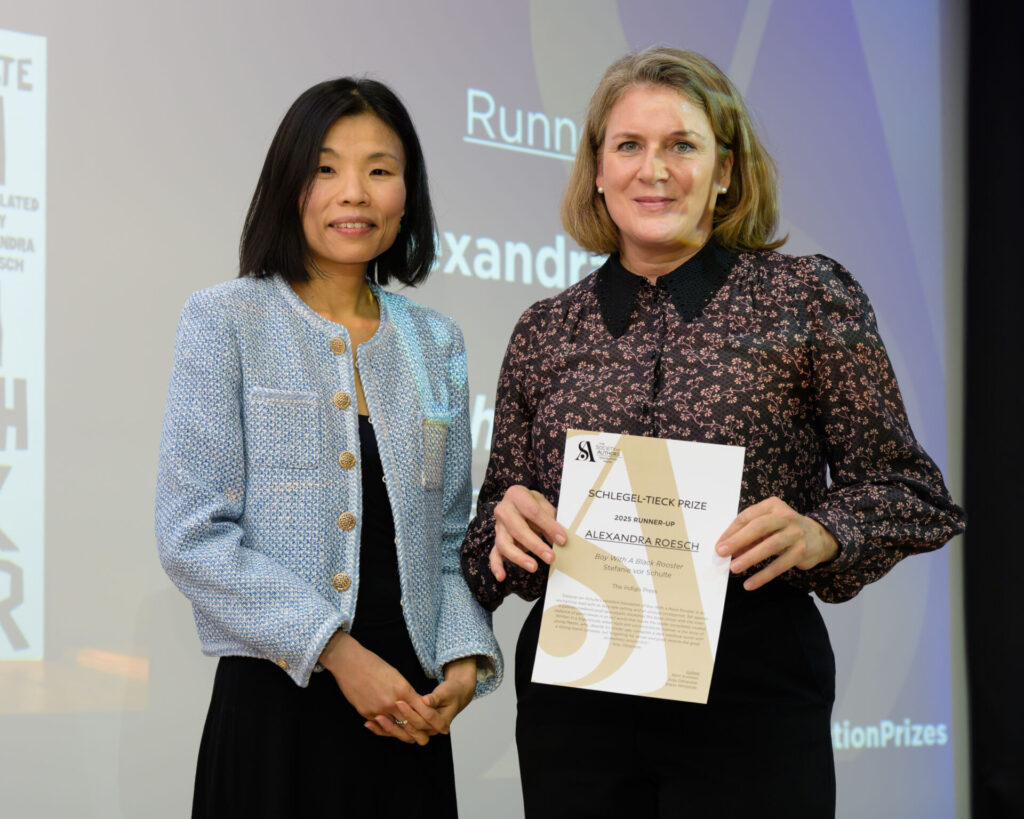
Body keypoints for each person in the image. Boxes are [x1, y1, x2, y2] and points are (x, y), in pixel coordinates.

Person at [460, 47, 964, 818]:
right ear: (597, 170)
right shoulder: (545, 330)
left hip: (752, 688)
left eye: (681, 145)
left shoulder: (808, 298)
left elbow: (912, 491)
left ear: (725, 170)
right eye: (629, 145)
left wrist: (822, 532)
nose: (652, 169)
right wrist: (506, 526)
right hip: (579, 699)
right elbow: (491, 533)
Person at [155, 77, 502, 818]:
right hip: (278, 709)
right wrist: (338, 654)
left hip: (404, 711)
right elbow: (191, 536)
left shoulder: (435, 340)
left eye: (379, 170)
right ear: (290, 183)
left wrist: (467, 656)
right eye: (325, 168)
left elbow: (447, 537)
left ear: (407, 193)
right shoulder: (227, 320)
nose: (355, 192)